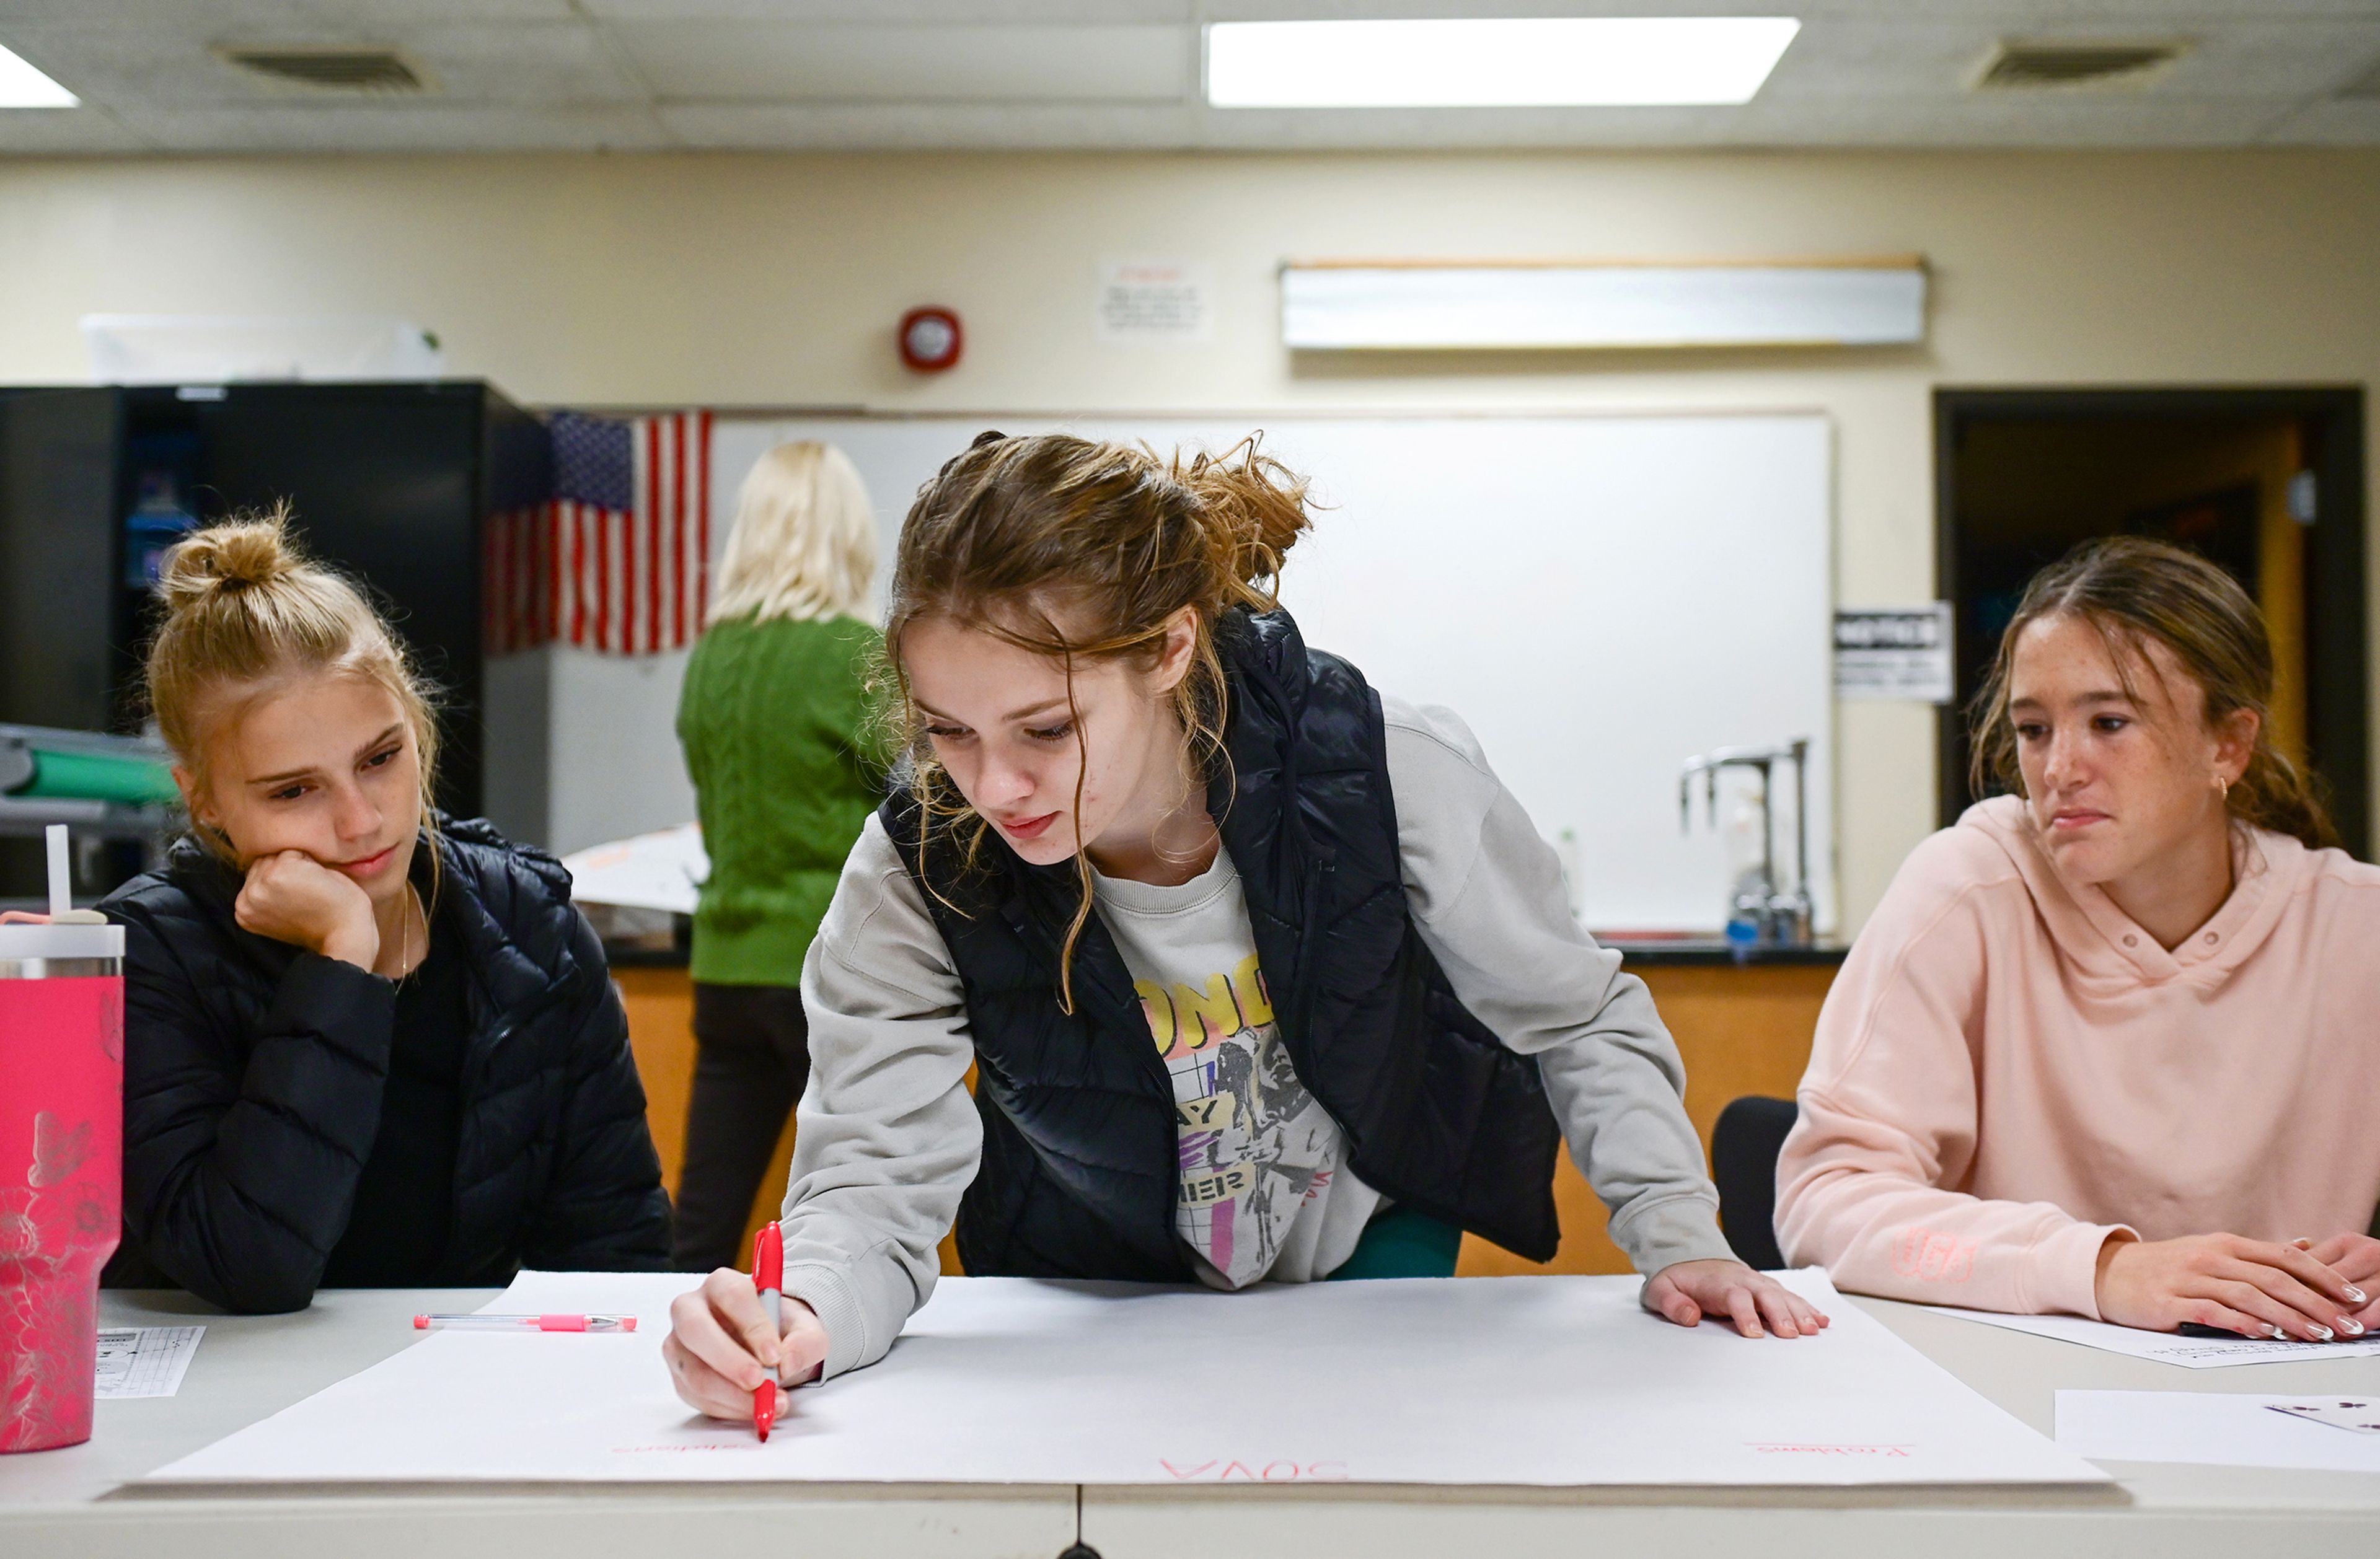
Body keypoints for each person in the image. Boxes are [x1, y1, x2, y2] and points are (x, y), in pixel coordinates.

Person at [662, 431, 1825, 1418]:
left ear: (1170, 649)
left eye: (1046, 731)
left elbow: (1578, 1015)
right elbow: (872, 1175)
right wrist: (803, 1310)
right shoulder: (919, 861)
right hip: (1090, 1277)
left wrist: (1683, 1238)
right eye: (948, 733)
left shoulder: (1382, 769)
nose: (996, 785)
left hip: (1372, 1236)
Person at [1775, 536, 2380, 1342]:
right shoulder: (1967, 885)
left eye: (2109, 722)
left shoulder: (2355, 923)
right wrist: (2099, 1268)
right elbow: (1825, 1199)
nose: (2060, 768)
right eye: (2033, 730)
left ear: (2228, 745)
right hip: (2009, 1386)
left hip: (2288, 1393)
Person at [100, 512, 670, 1314]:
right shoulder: (151, 952)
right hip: (233, 1417)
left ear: (416, 722)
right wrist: (341, 960)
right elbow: (247, 1268)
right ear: (207, 802)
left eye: (380, 759)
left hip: (466, 1402)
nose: (361, 821)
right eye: (294, 790)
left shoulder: (529, 923)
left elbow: (615, 1253)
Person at [672, 442, 884, 1271]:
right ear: (848, 533)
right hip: (828, 970)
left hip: (725, 966)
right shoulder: (854, 655)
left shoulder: (711, 657)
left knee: (702, 1225)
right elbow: (927, 796)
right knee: (854, 1213)